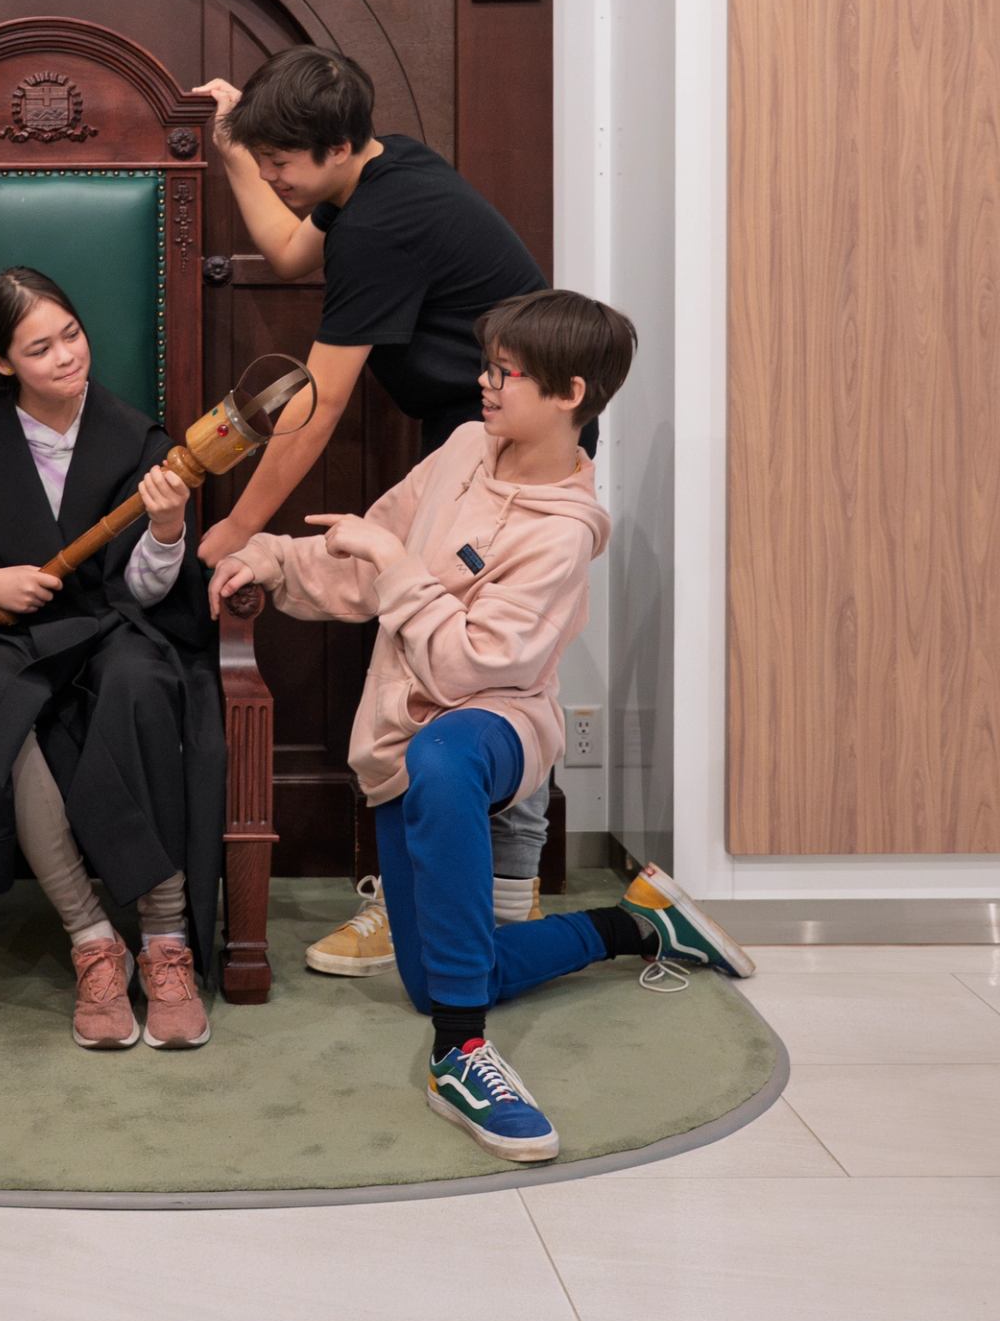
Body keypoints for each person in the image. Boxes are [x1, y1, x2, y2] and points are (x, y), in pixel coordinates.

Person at [208, 289, 752, 1164]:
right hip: (401, 735)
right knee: (446, 977)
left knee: (446, 753)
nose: (484, 385)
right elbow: (366, 552)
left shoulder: (563, 534)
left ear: (570, 392)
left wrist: (394, 569)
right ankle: (641, 925)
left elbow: (467, 666)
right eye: (487, 366)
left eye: (505, 373)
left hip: (496, 721)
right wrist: (268, 559)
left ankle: (460, 1058)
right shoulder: (465, 447)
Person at [194, 46, 564, 976]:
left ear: (335, 147)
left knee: (476, 678)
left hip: (516, 453)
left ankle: (476, 911)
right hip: (471, 440)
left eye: (285, 161)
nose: (277, 177)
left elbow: (312, 410)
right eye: (268, 161)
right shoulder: (381, 171)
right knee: (453, 668)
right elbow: (285, 246)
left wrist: (238, 527)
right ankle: (473, 908)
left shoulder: (382, 223)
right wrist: (236, 139)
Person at [0, 267, 225, 1054]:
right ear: (2, 363)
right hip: (13, 640)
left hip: (111, 627)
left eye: (71, 334)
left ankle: (166, 940)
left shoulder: (140, 441)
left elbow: (148, 590)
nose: (66, 356)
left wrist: (166, 533)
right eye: (39, 347)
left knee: (139, 680)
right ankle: (93, 939)